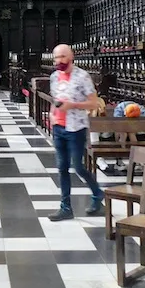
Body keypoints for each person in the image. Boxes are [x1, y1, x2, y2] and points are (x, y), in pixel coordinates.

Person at [48, 44, 107, 221]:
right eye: (57, 58)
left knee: (78, 166)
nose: (60, 61)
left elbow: (94, 103)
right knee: (62, 167)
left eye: (63, 57)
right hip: (58, 127)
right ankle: (65, 207)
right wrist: (52, 113)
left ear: (71, 56)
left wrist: (73, 105)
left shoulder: (82, 76)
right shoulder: (54, 77)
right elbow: (55, 99)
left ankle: (97, 194)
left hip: (76, 128)